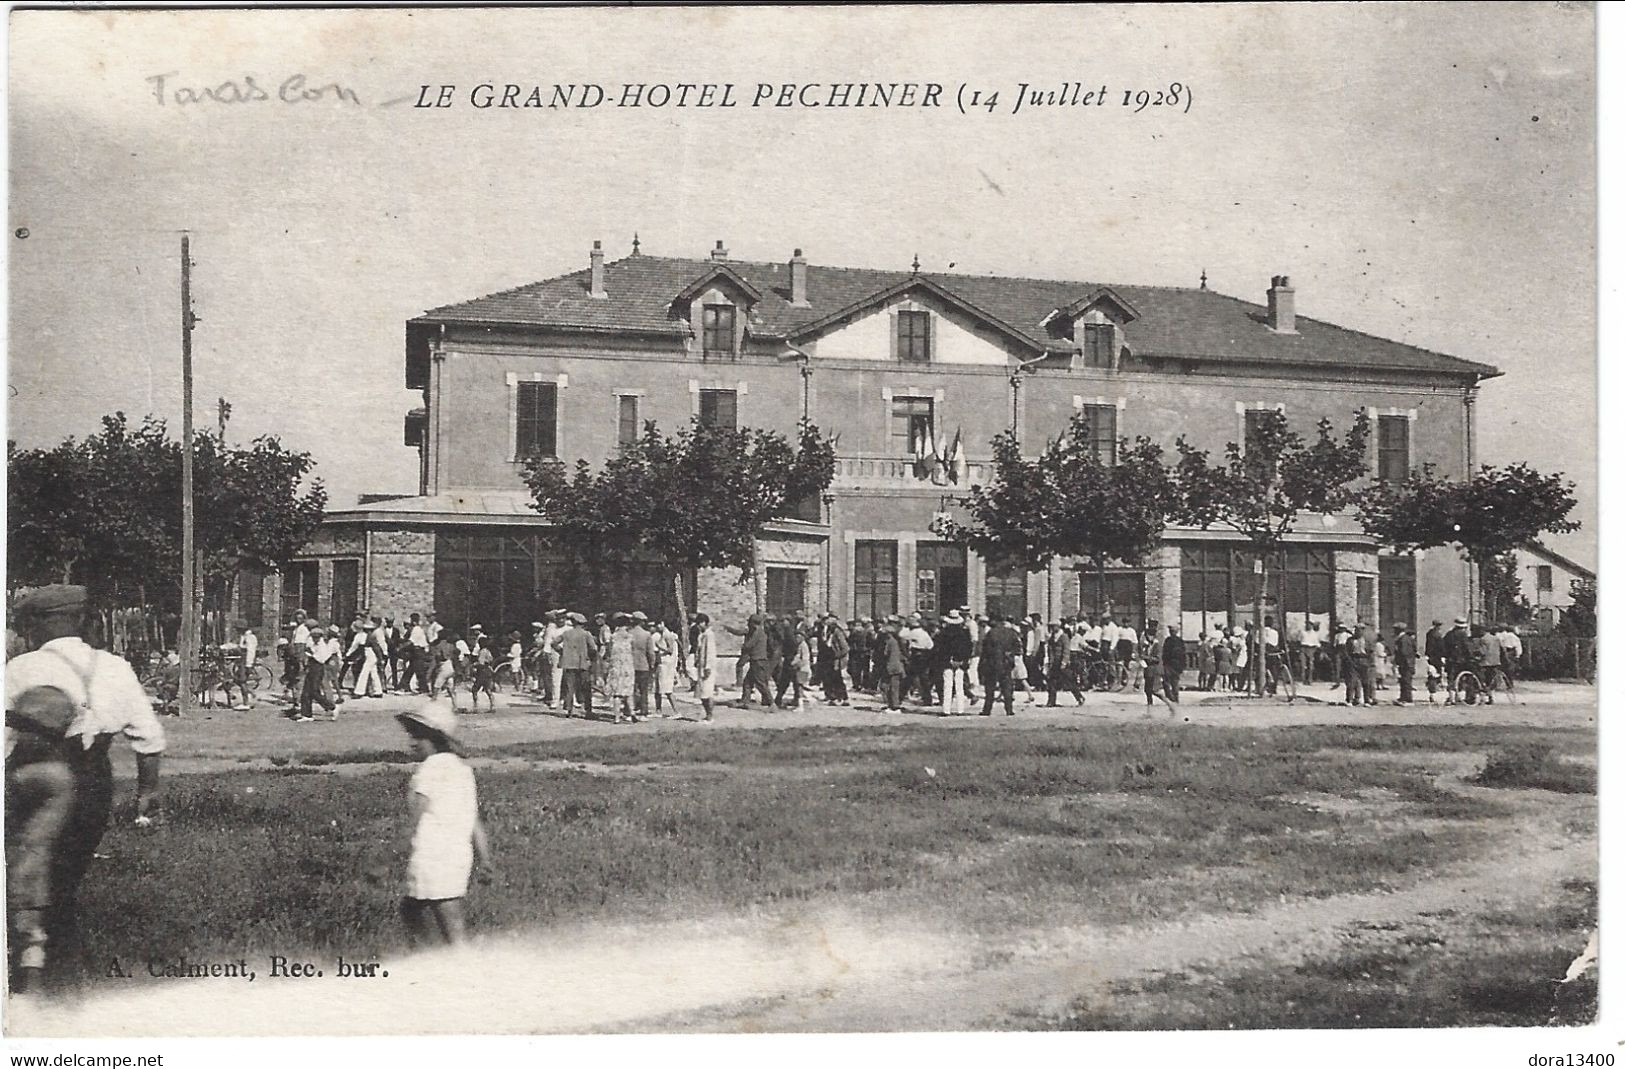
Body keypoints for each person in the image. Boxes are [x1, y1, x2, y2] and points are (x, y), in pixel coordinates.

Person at [6, 586, 165, 987]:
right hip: (95, 778)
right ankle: (59, 968)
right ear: (79, 620)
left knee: (29, 870)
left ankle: (35, 969)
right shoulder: (114, 666)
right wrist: (147, 794)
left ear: (41, 623)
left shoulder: (21, 667)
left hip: (37, 772)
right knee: (68, 872)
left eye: (29, 623)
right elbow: (148, 737)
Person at [395, 703, 491, 947]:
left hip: (432, 855)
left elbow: (414, 818)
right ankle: (434, 961)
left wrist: (386, 858)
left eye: (418, 736)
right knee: (413, 909)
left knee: (445, 919)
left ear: (435, 738)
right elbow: (474, 820)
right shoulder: (461, 769)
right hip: (457, 855)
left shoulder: (429, 770)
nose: (412, 742)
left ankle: (448, 964)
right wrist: (486, 860)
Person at [6, 686, 78, 993]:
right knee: (31, 931)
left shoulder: (39, 771)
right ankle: (30, 981)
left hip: (23, 860)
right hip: (36, 867)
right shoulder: (61, 771)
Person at [554, 613, 597, 718]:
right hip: (582, 663)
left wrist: (562, 652)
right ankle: (588, 710)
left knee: (569, 687)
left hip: (568, 663)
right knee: (585, 687)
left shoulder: (566, 633)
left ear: (573, 622)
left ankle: (568, 710)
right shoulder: (586, 634)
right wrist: (590, 657)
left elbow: (554, 643)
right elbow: (593, 648)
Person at [979, 613, 1022, 717]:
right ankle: (1009, 709)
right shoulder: (1011, 633)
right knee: (1007, 686)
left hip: (992, 662)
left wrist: (982, 663)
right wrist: (1010, 656)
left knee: (990, 687)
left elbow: (985, 650)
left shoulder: (991, 633)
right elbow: (1018, 648)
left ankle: (987, 709)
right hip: (1006, 662)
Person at [937, 610, 973, 717]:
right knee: (959, 686)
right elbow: (968, 648)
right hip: (960, 661)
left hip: (947, 661)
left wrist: (948, 659)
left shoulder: (943, 633)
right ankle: (960, 709)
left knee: (947, 685)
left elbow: (941, 649)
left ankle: (946, 709)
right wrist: (962, 660)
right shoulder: (964, 632)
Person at [1044, 621, 1077, 707]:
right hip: (1054, 663)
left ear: (1058, 626)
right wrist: (1049, 662)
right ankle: (1051, 701)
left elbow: (1066, 650)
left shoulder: (1064, 637)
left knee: (1069, 681)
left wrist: (1064, 662)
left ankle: (1079, 696)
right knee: (1052, 682)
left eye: (1053, 626)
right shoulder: (1052, 638)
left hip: (1062, 662)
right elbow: (1050, 650)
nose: (1052, 628)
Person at [878, 617, 908, 713]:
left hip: (892, 667)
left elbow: (886, 654)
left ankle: (895, 706)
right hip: (895, 667)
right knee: (890, 686)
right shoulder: (894, 641)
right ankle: (892, 705)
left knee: (892, 687)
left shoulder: (890, 642)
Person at [1442, 617, 1473, 705]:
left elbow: (1444, 647)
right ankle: (1457, 696)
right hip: (1462, 660)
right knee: (1461, 678)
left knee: (1451, 678)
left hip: (1450, 660)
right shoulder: (1463, 635)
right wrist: (1470, 656)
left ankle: (1452, 698)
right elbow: (1466, 647)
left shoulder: (1449, 634)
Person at [1472, 624, 1503, 705]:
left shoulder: (1483, 639)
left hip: (1485, 662)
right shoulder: (1496, 638)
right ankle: (1491, 697)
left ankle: (1482, 699)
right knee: (1491, 681)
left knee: (1482, 680)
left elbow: (1482, 652)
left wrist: (1475, 655)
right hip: (1495, 662)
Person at [823, 616, 850, 706]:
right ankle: (835, 697)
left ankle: (843, 698)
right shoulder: (830, 633)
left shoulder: (838, 633)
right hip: (830, 658)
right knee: (832, 678)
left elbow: (845, 648)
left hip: (836, 660)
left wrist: (837, 655)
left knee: (837, 679)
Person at [1391, 622, 1418, 706]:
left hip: (1406, 664)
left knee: (1406, 681)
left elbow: (1403, 652)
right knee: (1403, 681)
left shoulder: (1403, 640)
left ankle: (1408, 699)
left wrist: (1399, 662)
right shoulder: (1407, 638)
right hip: (1407, 663)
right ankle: (1403, 697)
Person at [1161, 624, 1187, 703]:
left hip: (1169, 664)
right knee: (1175, 682)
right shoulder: (1180, 641)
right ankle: (1175, 698)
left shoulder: (1168, 640)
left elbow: (1164, 652)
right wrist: (1183, 665)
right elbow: (1183, 654)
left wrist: (1164, 662)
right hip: (1177, 664)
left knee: (1166, 682)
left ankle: (1170, 697)